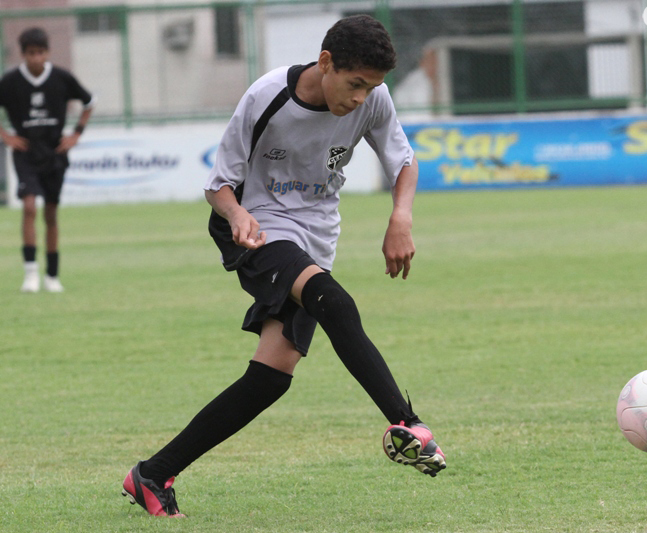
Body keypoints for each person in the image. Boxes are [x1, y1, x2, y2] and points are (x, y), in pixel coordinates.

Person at [122, 14, 446, 518]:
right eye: (355, 84)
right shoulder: (267, 96)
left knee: (272, 374)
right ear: (325, 63)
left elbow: (403, 160)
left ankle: (152, 473)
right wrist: (236, 215)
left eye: (372, 87)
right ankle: (407, 424)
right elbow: (217, 186)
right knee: (334, 301)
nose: (362, 98)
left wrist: (400, 216)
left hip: (316, 235)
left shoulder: (374, 99)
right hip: (257, 227)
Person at [0, 27, 94, 293]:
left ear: (47, 53)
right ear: (23, 54)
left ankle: (52, 276)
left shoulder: (62, 78)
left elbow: (89, 102)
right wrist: (5, 135)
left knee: (50, 214)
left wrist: (76, 134)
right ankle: (30, 274)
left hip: (55, 153)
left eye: (41, 53)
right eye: (31, 53)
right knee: (29, 207)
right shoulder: (10, 82)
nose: (36, 58)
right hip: (26, 153)